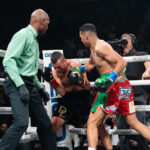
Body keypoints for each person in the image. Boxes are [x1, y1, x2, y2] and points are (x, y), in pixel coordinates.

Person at [78, 23, 150, 150]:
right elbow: (90, 65)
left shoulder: (101, 47)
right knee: (133, 122)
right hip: (124, 86)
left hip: (113, 86)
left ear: (86, 36)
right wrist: (78, 69)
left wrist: (110, 79)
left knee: (92, 123)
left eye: (81, 38)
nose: (81, 40)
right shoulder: (94, 49)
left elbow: (122, 62)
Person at [0, 9, 57, 150]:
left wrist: (39, 88)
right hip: (16, 83)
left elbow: (29, 71)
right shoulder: (23, 35)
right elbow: (8, 61)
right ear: (42, 21)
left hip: (29, 85)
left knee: (45, 123)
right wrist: (20, 85)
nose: (48, 27)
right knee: (21, 123)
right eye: (47, 24)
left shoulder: (34, 40)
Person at [40, 51, 92, 133]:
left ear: (64, 61)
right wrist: (51, 81)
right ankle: (48, 145)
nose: (57, 70)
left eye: (59, 67)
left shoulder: (74, 65)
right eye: (55, 67)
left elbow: (88, 86)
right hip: (68, 99)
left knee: (93, 125)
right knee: (53, 123)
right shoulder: (55, 73)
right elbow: (62, 93)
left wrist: (80, 82)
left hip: (83, 97)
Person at [117, 33, 150, 150]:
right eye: (122, 41)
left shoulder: (141, 55)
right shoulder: (118, 58)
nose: (124, 43)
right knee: (122, 130)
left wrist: (147, 71)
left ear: (133, 42)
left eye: (126, 40)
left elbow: (149, 64)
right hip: (122, 96)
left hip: (137, 95)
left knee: (140, 126)